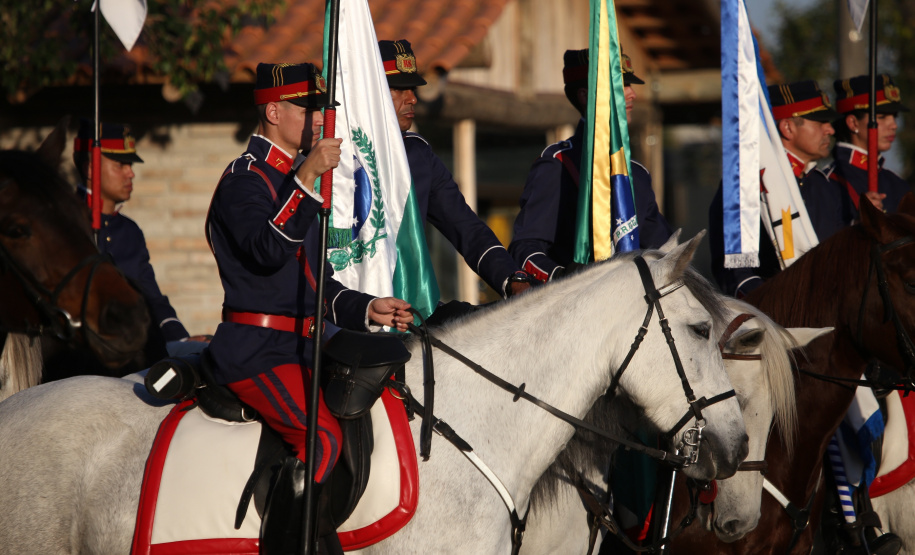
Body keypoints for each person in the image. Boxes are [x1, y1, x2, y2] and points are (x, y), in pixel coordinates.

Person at [205, 62, 412, 554]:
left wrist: (368, 308)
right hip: (255, 350)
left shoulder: (293, 182)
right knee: (321, 440)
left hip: (303, 345)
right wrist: (305, 179)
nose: (319, 119)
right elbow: (266, 249)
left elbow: (316, 287)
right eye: (308, 108)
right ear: (273, 111)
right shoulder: (245, 180)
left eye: (321, 108)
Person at [378, 39, 532, 299]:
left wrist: (511, 279)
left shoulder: (418, 155)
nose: (413, 98)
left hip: (408, 304)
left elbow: (466, 228)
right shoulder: (334, 154)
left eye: (412, 89)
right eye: (398, 88)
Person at [509, 48, 673, 283]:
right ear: (585, 96)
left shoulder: (636, 173)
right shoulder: (558, 164)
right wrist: (564, 278)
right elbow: (525, 249)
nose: (632, 94)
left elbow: (663, 253)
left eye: (630, 85)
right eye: (620, 85)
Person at [72, 121, 207, 361]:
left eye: (130, 165)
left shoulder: (129, 231)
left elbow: (150, 297)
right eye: (121, 165)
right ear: (91, 168)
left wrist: (180, 338)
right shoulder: (68, 223)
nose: (131, 173)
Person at [708, 80, 843, 298]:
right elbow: (734, 270)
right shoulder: (747, 184)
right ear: (788, 127)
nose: (830, 129)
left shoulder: (825, 187)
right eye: (820, 121)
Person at [828, 73, 911, 220]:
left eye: (894, 116)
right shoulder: (829, 182)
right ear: (853, 123)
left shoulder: (897, 185)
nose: (894, 125)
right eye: (881, 117)